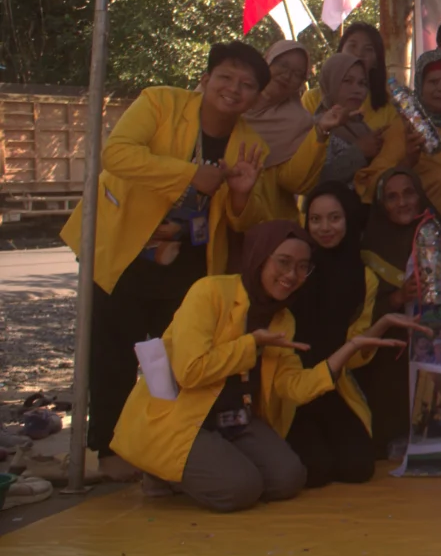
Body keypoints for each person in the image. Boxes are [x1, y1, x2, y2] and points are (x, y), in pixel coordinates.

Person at [62, 43, 280, 481]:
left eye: (246, 85)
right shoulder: (160, 102)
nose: (233, 90)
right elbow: (116, 154)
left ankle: (165, 446)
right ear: (205, 79)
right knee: (112, 354)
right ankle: (108, 450)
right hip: (124, 249)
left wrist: (239, 193)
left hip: (189, 266)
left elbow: (249, 221)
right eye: (225, 78)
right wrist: (189, 175)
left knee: (176, 360)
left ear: (256, 99)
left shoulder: (251, 145)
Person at [110, 221, 418, 512]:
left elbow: (293, 387)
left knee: (288, 478)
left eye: (302, 267)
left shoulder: (283, 319)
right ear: (260, 257)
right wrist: (251, 345)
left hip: (236, 419)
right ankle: (162, 471)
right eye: (283, 262)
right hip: (185, 416)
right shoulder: (210, 292)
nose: (292, 274)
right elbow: (190, 371)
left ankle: (209, 467)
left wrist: (352, 347)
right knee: (239, 490)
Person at [280, 184, 396, 488]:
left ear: (349, 219)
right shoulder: (293, 267)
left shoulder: (363, 278)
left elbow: (354, 357)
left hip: (332, 383)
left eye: (334, 218)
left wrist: (381, 325)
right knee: (315, 470)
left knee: (357, 468)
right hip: (290, 383)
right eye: (315, 219)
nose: (324, 228)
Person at [356, 50, 441, 234]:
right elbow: (373, 186)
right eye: (433, 82)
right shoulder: (402, 129)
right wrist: (408, 162)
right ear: (419, 86)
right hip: (425, 240)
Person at [355, 167, 429, 458]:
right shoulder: (370, 247)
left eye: (409, 193)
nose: (402, 203)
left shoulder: (437, 234)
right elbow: (359, 316)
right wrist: (398, 297)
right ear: (381, 205)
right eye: (392, 197)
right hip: (389, 360)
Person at [241, 41, 330, 223]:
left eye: (297, 74)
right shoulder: (232, 99)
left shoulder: (299, 122)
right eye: (282, 66)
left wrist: (320, 133)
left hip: (269, 221)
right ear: (267, 62)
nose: (287, 76)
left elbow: (295, 182)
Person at [303, 21, 396, 139]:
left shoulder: (388, 111)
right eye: (352, 46)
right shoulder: (312, 99)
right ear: (340, 51)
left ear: (377, 61)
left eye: (368, 49)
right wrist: (357, 150)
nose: (359, 54)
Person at [315, 53, 376, 187]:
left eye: (362, 83)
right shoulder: (317, 129)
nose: (357, 90)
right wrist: (359, 152)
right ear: (330, 82)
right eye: (348, 81)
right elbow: (313, 180)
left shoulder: (361, 127)